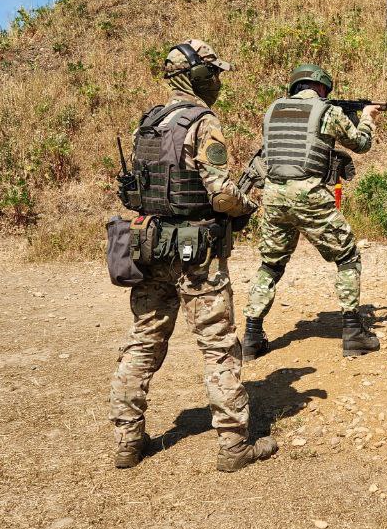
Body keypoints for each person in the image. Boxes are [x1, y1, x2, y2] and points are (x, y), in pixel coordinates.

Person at [108, 40, 277, 472]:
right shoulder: (203, 123)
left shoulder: (148, 122)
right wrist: (247, 205)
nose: (218, 81)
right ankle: (234, 446)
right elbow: (220, 194)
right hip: (195, 252)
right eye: (214, 73)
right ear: (200, 76)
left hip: (148, 245)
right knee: (219, 347)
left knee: (143, 341)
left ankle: (127, 441)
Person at [243, 64, 383, 359]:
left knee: (270, 264)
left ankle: (252, 336)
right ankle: (353, 332)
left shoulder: (273, 111)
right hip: (309, 194)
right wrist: (368, 118)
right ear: (322, 87)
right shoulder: (327, 112)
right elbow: (361, 144)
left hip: (273, 195)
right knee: (346, 256)